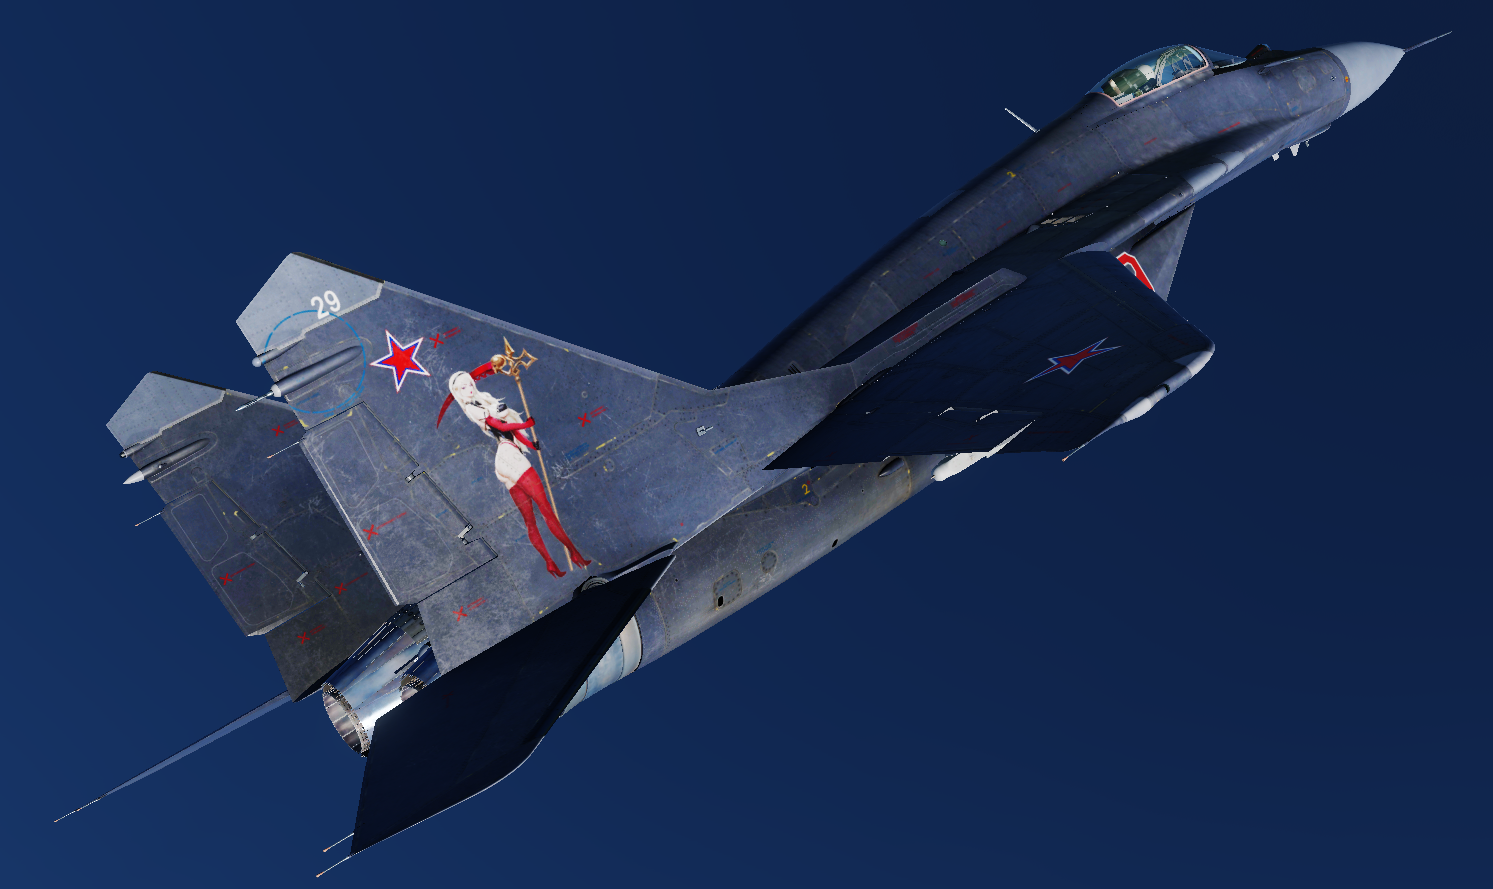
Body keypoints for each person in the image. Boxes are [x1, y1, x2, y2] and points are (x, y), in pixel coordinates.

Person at [448, 370, 590, 578]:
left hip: (505, 458)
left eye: (470, 384)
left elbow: (511, 433)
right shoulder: (472, 409)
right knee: (546, 510)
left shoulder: (483, 402)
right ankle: (575, 553)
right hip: (511, 458)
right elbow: (500, 425)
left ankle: (550, 563)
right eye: (463, 387)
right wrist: (526, 424)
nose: (469, 389)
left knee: (530, 521)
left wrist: (531, 444)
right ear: (457, 392)